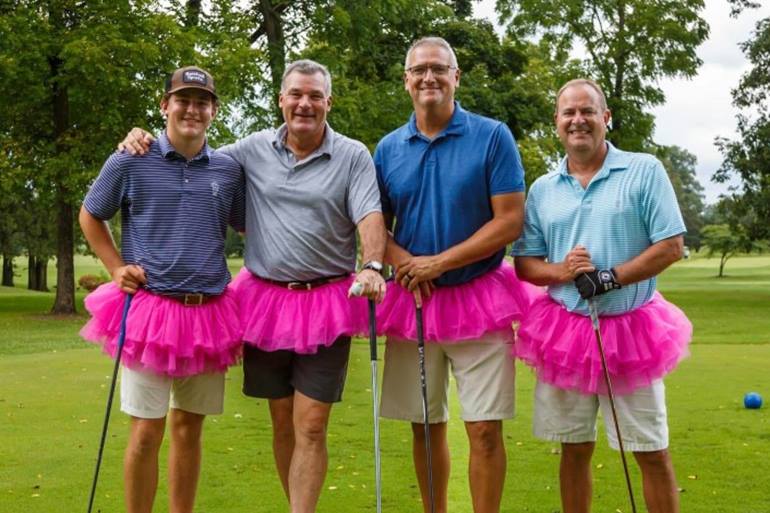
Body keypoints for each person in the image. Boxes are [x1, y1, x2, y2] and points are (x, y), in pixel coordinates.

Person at [119, 59, 387, 513]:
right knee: (282, 421)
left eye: (315, 96)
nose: (305, 104)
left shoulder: (354, 154)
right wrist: (141, 138)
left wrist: (374, 263)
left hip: (327, 303)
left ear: (328, 102)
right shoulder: (246, 151)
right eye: (296, 95)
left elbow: (370, 216)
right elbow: (192, 151)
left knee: (312, 424)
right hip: (265, 302)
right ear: (281, 100)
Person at [512, 78, 692, 513]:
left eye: (588, 111)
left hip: (632, 331)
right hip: (565, 333)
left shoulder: (644, 169)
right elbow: (526, 265)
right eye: (568, 112)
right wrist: (563, 271)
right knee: (573, 449)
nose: (578, 120)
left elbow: (671, 245)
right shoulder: (542, 189)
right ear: (557, 122)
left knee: (650, 449)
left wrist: (610, 277)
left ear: (605, 118)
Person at [373, 37, 532, 513]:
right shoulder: (386, 148)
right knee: (424, 426)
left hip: (480, 296)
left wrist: (440, 262)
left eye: (439, 69)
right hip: (413, 300)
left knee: (484, 428)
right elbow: (374, 225)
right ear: (406, 80)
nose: (429, 77)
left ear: (456, 76)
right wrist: (404, 262)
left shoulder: (492, 136)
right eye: (418, 69)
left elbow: (510, 220)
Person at [80, 66, 245, 513]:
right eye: (184, 100)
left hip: (209, 312)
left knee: (189, 430)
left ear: (213, 110)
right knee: (147, 430)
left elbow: (252, 228)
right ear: (164, 105)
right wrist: (115, 268)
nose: (192, 109)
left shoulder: (229, 170)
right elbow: (91, 214)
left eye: (202, 102)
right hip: (151, 311)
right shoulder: (131, 158)